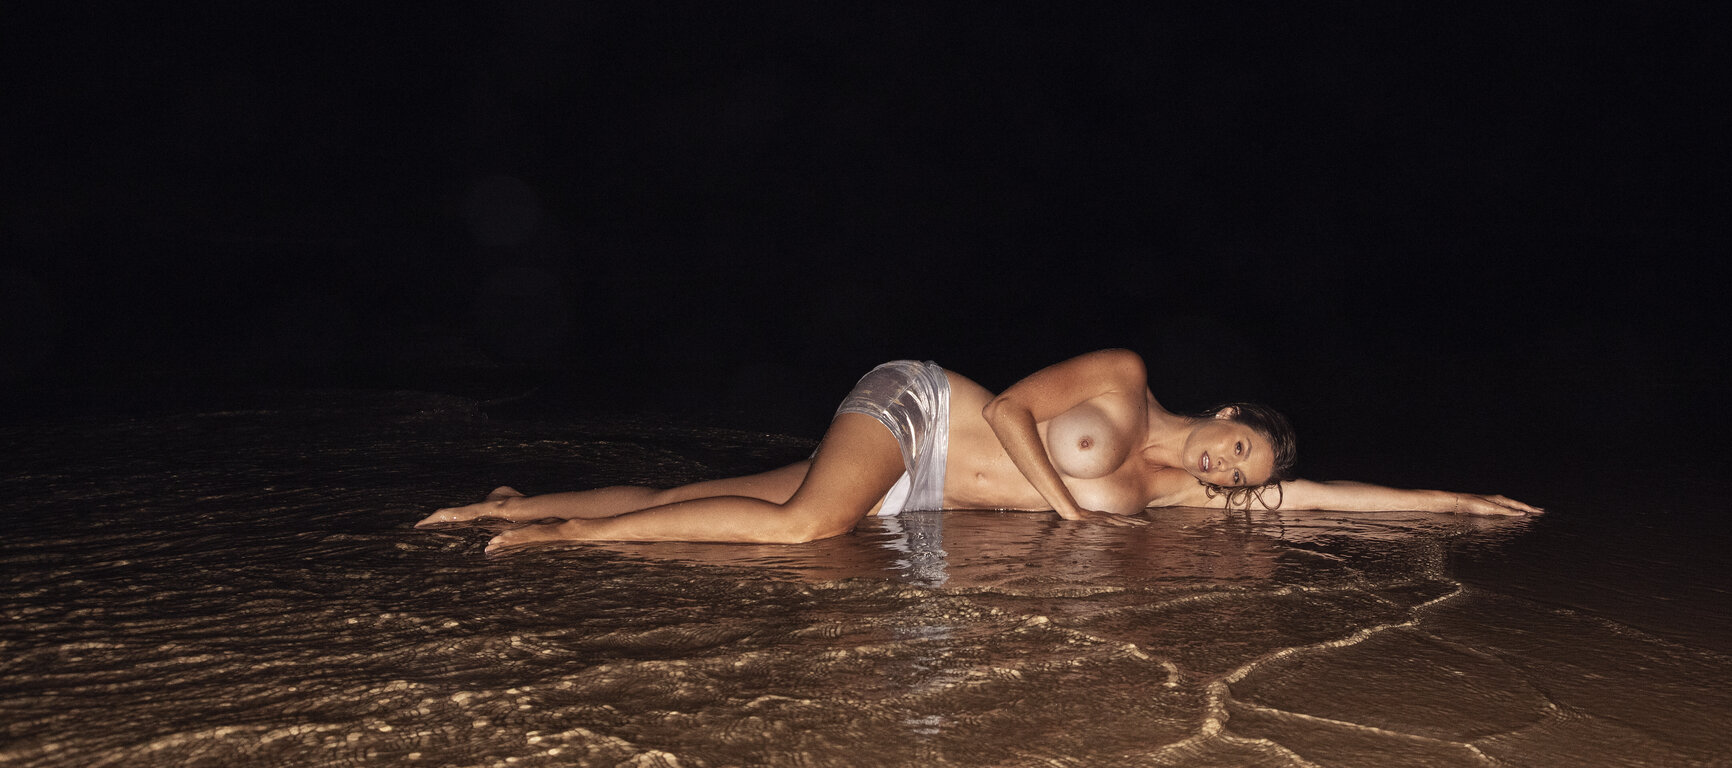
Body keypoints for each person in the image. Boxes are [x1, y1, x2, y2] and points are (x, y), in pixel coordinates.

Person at [417, 349, 1540, 553]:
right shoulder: (1124, 376)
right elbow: (1006, 413)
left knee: (699, 493)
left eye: (1239, 476)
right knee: (803, 527)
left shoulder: (1178, 495)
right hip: (923, 411)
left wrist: (1455, 500)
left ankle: (515, 499)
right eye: (1236, 448)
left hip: (917, 498)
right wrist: (1067, 509)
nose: (1225, 471)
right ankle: (566, 535)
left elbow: (1323, 496)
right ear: (1230, 408)